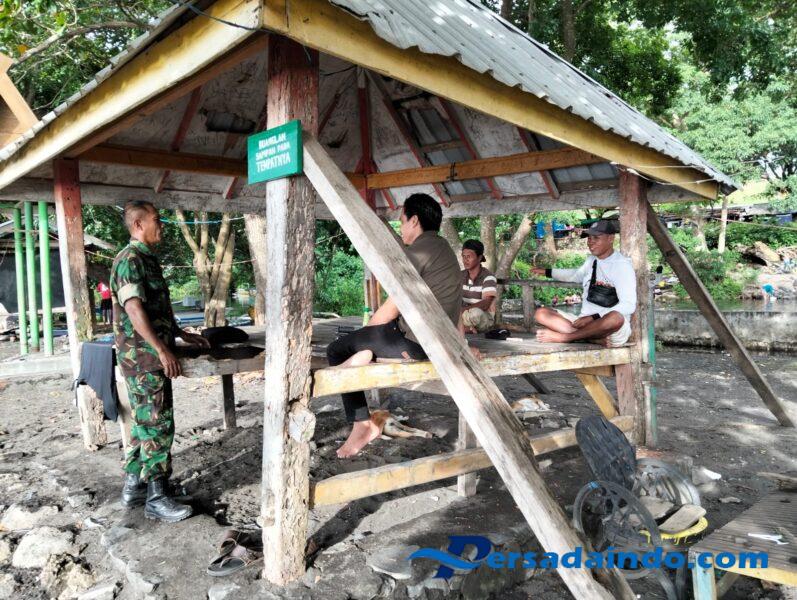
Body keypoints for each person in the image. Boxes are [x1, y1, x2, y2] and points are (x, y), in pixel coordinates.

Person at [326, 193, 462, 458]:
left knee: (336, 349)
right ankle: (364, 355)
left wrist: (366, 333)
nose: (401, 227)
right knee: (362, 344)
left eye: (402, 221)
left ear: (414, 220)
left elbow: (391, 308)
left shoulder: (418, 251)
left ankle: (362, 425)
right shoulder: (445, 250)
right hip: (436, 342)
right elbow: (457, 308)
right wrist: (461, 345)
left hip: (413, 344)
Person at [111, 200, 210, 522]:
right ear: (138, 224)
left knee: (144, 422)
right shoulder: (130, 260)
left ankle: (135, 487)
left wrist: (180, 334)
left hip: (146, 355)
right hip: (144, 358)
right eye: (156, 219)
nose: (161, 225)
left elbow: (155, 309)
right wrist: (162, 351)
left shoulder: (145, 259)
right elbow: (134, 309)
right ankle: (157, 497)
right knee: (157, 424)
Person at [531, 219, 635, 347]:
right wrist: (547, 272)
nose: (590, 242)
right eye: (589, 238)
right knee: (541, 313)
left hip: (610, 329)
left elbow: (629, 305)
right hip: (583, 323)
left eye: (596, 238)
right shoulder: (591, 261)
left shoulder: (622, 266)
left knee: (615, 318)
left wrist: (593, 317)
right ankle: (590, 339)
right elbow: (575, 275)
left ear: (611, 238)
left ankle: (566, 337)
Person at [459, 239, 498, 333]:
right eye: (463, 256)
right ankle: (467, 328)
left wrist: (462, 311)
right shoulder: (460, 276)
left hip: (483, 317)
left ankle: (461, 327)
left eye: (469, 256)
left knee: (476, 313)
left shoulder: (488, 277)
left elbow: (485, 304)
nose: (465, 260)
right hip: (464, 314)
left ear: (479, 258)